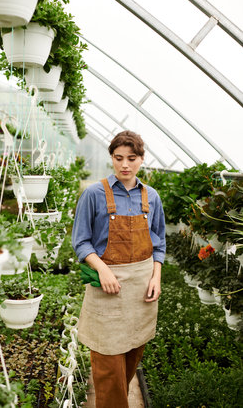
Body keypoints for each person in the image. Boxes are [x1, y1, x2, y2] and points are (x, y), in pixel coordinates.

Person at [72, 130, 165, 408]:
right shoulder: (94, 194)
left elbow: (159, 243)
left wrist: (156, 277)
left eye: (132, 158)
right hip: (108, 292)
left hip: (140, 294)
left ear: (141, 159)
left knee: (129, 361)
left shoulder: (152, 197)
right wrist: (102, 269)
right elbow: (81, 241)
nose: (125, 165)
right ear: (111, 158)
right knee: (108, 367)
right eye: (119, 158)